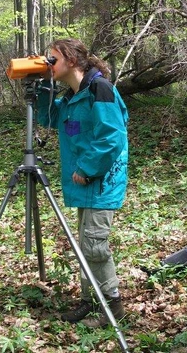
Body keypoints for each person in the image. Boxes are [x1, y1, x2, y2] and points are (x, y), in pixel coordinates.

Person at [37, 38, 129, 327]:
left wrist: (89, 168)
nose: (49, 64)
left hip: (101, 182)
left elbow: (113, 136)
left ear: (72, 60)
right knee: (85, 245)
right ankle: (90, 302)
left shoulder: (99, 89)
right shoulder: (73, 96)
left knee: (94, 246)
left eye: (53, 59)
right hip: (84, 184)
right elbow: (49, 117)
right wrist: (41, 84)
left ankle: (113, 307)